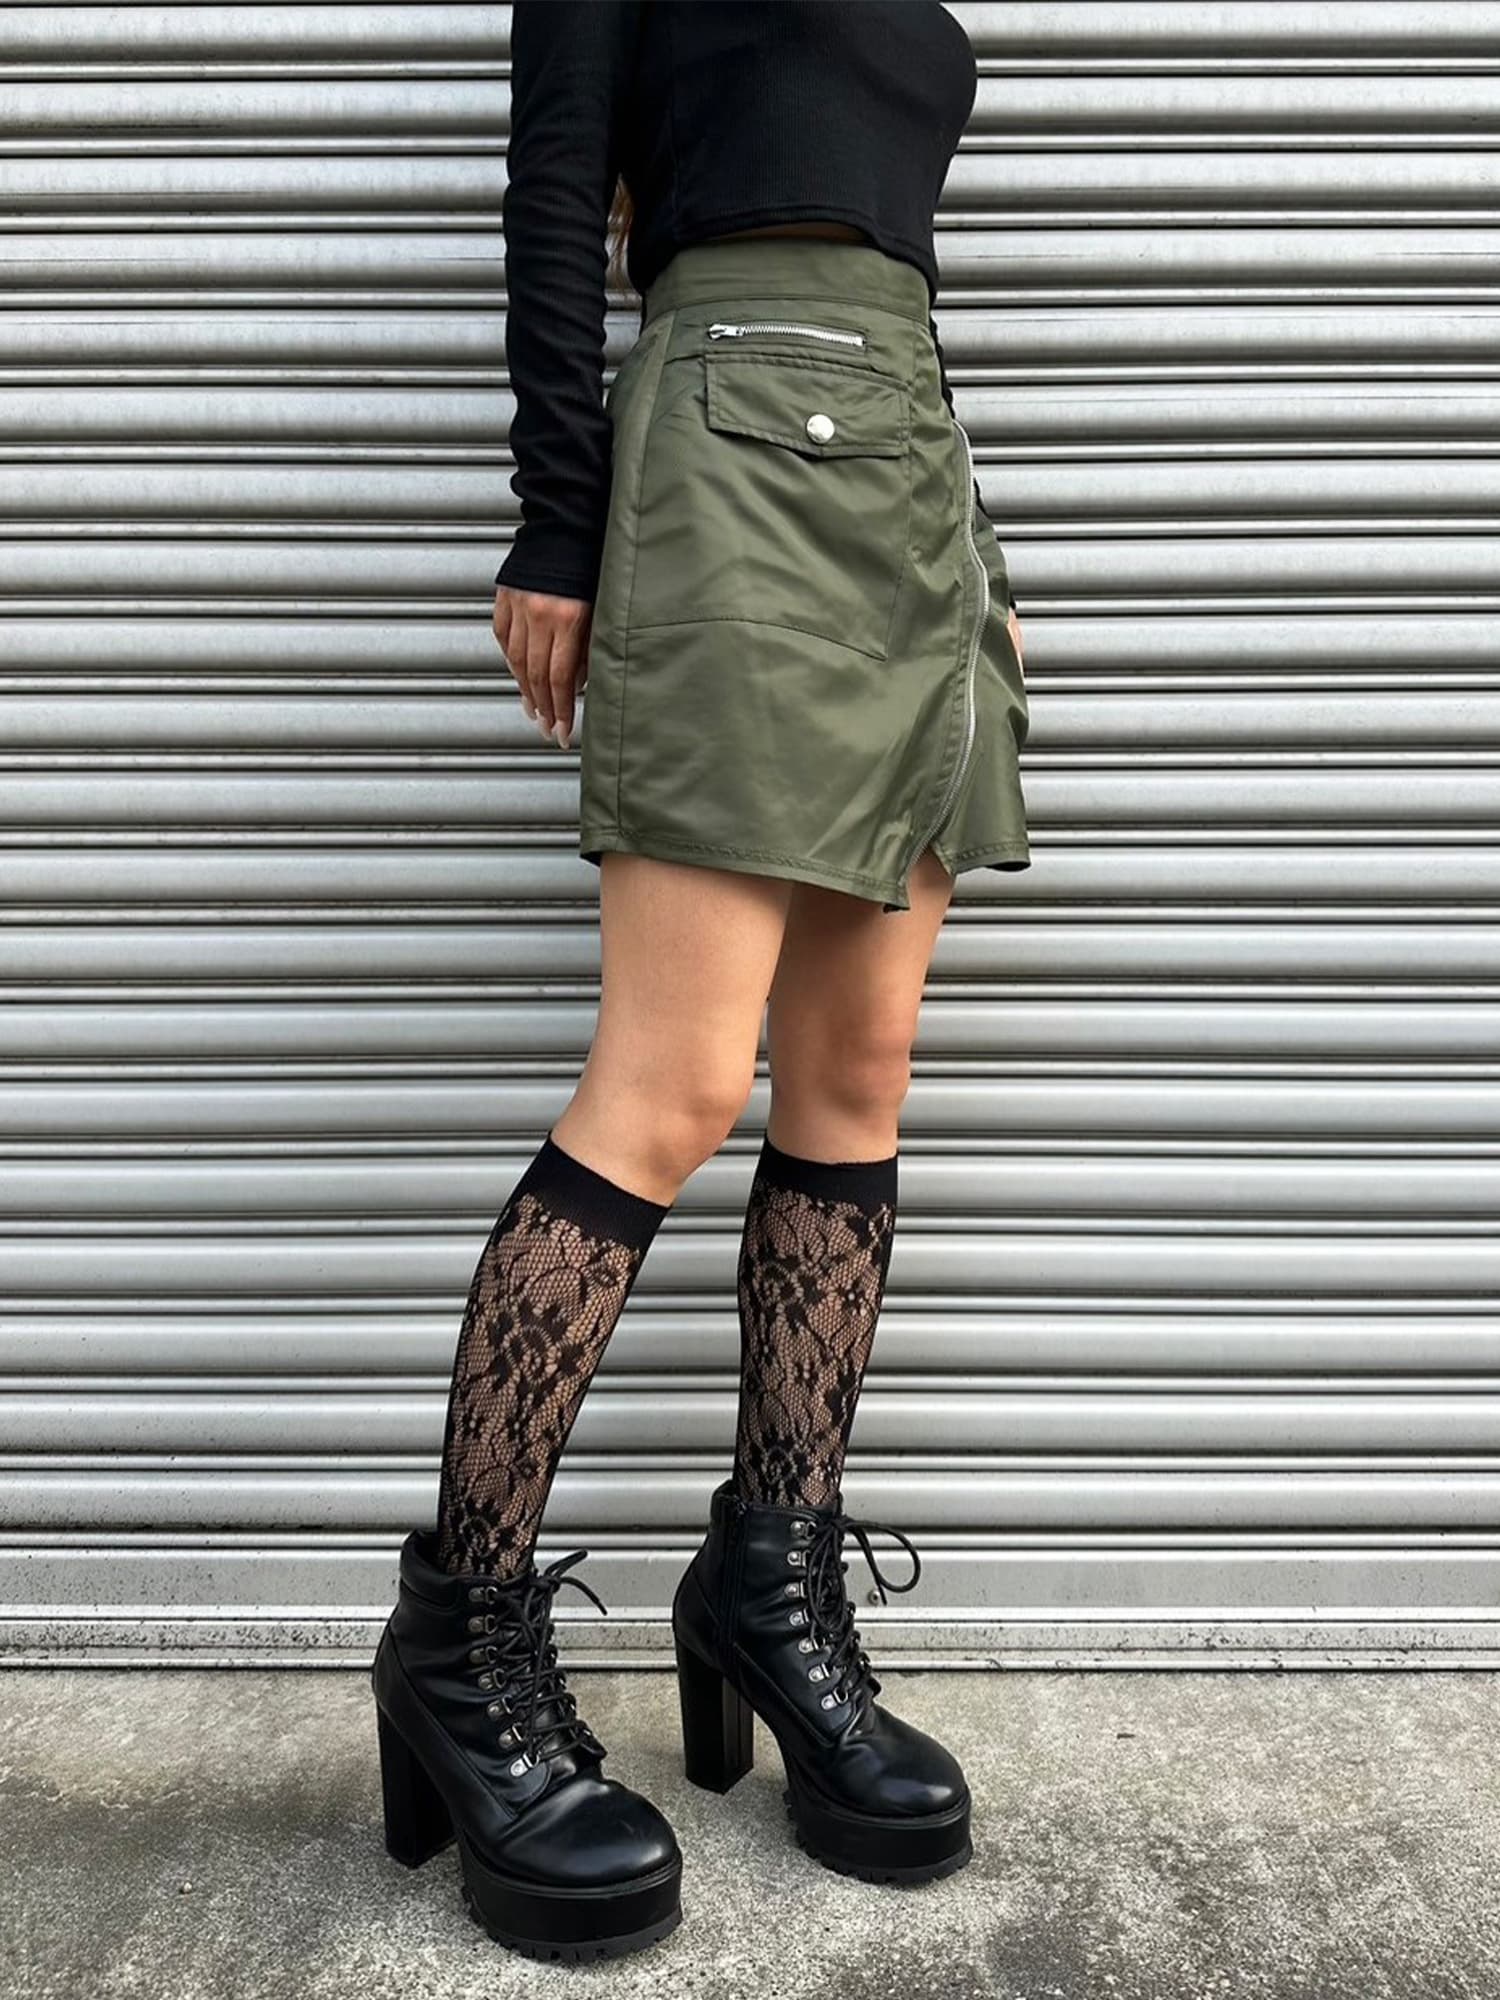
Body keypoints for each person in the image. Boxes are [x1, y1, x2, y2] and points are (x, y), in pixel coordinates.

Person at [370, 0, 1032, 1963]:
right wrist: (558, 515)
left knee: (858, 1072)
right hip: (729, 455)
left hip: (909, 474)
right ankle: (460, 1636)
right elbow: (552, 197)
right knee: (668, 1087)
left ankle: (770, 1581)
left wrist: (978, 563)